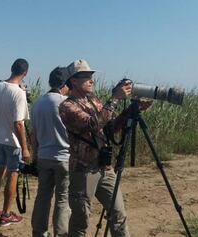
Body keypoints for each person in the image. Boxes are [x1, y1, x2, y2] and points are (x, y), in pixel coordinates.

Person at [59, 59, 151, 237]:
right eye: (86, 77)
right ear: (73, 81)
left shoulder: (94, 100)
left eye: (92, 76)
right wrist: (115, 98)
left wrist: (131, 111)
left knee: (118, 214)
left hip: (104, 167)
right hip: (84, 170)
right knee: (81, 220)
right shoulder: (66, 106)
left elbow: (110, 126)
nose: (91, 80)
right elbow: (93, 124)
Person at [0, 58, 30, 226]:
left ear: (11, 68)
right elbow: (18, 123)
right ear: (25, 73)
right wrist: (25, 148)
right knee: (13, 173)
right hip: (12, 142)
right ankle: (5, 214)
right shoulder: (18, 93)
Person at [31, 67, 71, 237]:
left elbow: (33, 134)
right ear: (66, 83)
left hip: (43, 156)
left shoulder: (38, 103)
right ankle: (61, 233)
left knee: (43, 197)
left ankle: (39, 232)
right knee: (62, 199)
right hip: (64, 157)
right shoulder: (66, 103)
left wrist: (35, 155)